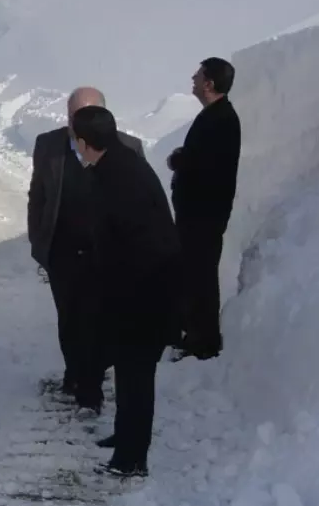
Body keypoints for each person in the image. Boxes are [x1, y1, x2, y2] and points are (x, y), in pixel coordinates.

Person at [70, 104, 180, 477]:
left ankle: (132, 460)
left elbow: (134, 244)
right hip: (134, 293)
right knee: (127, 374)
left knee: (137, 377)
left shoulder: (118, 178)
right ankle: (124, 436)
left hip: (143, 296)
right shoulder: (117, 164)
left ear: (84, 142)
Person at [27, 86, 146, 415]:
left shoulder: (129, 148)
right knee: (68, 316)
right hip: (62, 251)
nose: (74, 124)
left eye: (82, 117)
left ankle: (90, 383)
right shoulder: (48, 145)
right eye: (70, 116)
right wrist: (38, 240)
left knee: (99, 317)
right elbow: (38, 194)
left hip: (106, 254)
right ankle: (75, 374)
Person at [167, 57, 242, 361]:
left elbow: (208, 165)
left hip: (205, 215)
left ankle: (205, 342)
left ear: (209, 83)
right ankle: (194, 332)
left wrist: (179, 161)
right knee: (194, 274)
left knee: (201, 277)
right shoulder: (214, 115)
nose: (193, 79)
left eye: (198, 76)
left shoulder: (222, 118)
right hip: (196, 214)